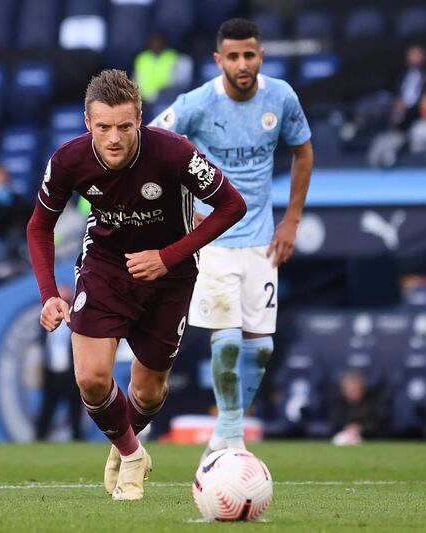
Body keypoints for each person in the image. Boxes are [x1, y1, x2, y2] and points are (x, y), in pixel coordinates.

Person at [27, 69, 246, 501]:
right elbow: (39, 226)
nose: (114, 138)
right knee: (91, 377)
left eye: (124, 126)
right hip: (105, 266)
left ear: (140, 120)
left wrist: (167, 257)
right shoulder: (69, 160)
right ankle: (131, 453)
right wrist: (49, 293)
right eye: (103, 127)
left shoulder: (173, 152)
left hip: (172, 276)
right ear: (87, 122)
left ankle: (124, 444)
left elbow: (231, 205)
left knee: (148, 391)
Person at [150, 18, 313, 459]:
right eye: (234, 56)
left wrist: (292, 220)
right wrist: (181, 206)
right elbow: (152, 141)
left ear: (261, 55)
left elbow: (303, 150)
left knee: (261, 348)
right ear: (218, 59)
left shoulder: (280, 98)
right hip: (215, 240)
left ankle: (225, 429)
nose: (243, 64)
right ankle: (232, 437)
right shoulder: (198, 103)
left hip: (262, 238)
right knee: (225, 337)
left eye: (251, 54)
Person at [35, 284, 84, 441]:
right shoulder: (46, 322)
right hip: (52, 374)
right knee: (46, 410)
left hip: (71, 374)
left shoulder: (76, 319)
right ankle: (38, 441)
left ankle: (77, 441)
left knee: (75, 411)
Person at [330, 369, 385, 445]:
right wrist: (349, 428)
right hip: (346, 434)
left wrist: (360, 428)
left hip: (371, 438)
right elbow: (335, 422)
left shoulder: (373, 402)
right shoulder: (339, 403)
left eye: (355, 389)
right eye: (349, 389)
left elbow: (378, 422)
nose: (352, 392)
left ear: (362, 388)